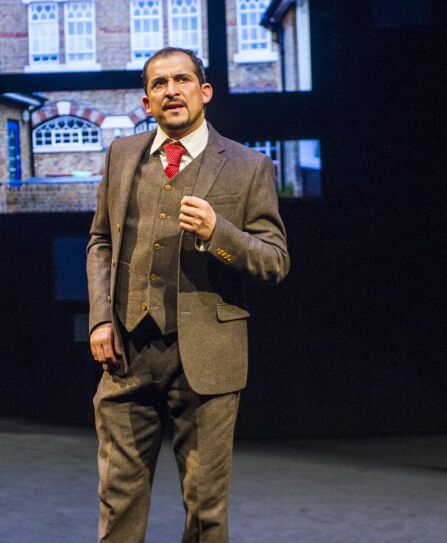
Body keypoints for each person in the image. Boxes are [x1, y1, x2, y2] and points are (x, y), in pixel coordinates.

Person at [86, 47, 290, 542]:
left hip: (205, 358)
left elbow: (275, 260)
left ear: (205, 91)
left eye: (181, 80)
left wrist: (219, 231)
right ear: (146, 100)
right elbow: (101, 240)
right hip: (127, 355)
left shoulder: (248, 165)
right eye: (159, 84)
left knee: (204, 509)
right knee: (118, 500)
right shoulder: (121, 155)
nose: (170, 90)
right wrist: (100, 318)